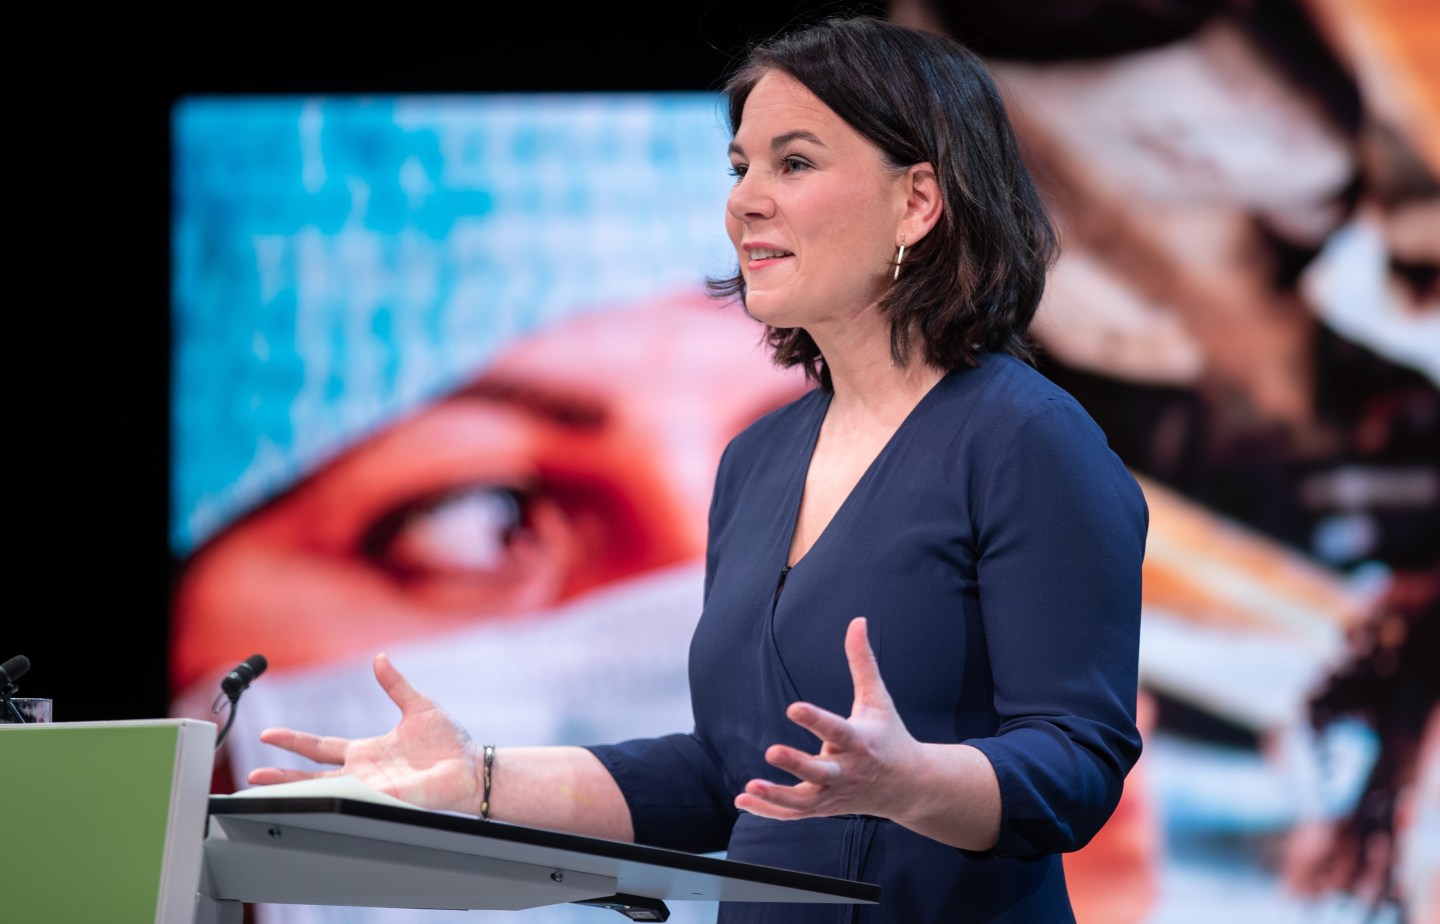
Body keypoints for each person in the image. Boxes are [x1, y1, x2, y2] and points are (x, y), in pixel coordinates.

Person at [247, 16, 1148, 923]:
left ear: (917, 201)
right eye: (740, 168)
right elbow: (726, 774)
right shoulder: (759, 462)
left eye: (794, 163)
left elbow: (1076, 761)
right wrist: (479, 778)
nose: (745, 200)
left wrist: (913, 781)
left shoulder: (1025, 439)